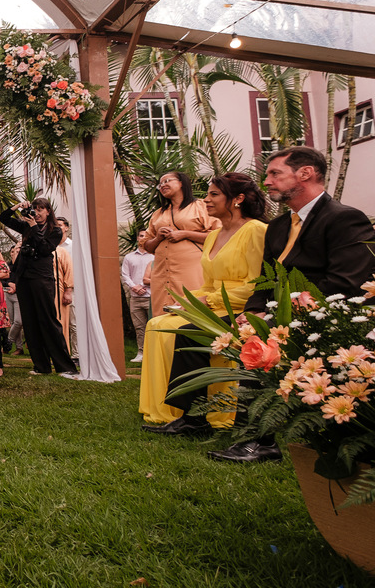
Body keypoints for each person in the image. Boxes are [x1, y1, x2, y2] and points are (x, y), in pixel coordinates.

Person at [207, 148, 374, 463]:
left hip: (327, 315)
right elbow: (265, 277)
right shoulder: (279, 225)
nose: (266, 181)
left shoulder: (344, 218)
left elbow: (346, 281)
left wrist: (287, 310)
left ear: (305, 173)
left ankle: (259, 441)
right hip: (280, 312)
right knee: (236, 331)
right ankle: (232, 429)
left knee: (259, 342)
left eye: (275, 173)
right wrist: (253, 311)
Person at [139, 172, 268, 432]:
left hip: (241, 307)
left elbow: (257, 285)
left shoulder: (255, 230)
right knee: (157, 324)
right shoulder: (213, 235)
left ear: (238, 199)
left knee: (180, 331)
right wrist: (188, 301)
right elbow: (208, 284)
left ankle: (195, 416)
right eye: (208, 194)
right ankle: (167, 409)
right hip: (214, 302)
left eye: (214, 195)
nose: (206, 200)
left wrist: (208, 300)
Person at [0, 198, 77, 377]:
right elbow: (4, 218)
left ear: (48, 211)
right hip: (24, 278)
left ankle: (65, 366)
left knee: (48, 320)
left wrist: (34, 227)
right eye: (35, 209)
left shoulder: (55, 230)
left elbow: (44, 249)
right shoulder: (26, 226)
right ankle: (41, 366)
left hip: (42, 278)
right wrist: (18, 206)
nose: (38, 213)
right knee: (30, 322)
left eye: (41, 209)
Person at [143, 171, 220, 317]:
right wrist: (158, 238)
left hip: (192, 270)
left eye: (167, 181)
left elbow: (219, 235)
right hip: (161, 274)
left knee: (192, 310)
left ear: (181, 183)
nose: (162, 185)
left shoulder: (201, 206)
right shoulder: (158, 213)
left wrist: (185, 234)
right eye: (160, 184)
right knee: (162, 315)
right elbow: (146, 245)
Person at [120, 229, 154, 363]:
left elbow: (158, 274)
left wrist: (142, 285)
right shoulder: (129, 257)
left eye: (146, 236)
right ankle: (141, 352)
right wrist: (134, 286)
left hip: (151, 297)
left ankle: (153, 353)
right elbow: (125, 274)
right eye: (141, 236)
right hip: (135, 298)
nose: (143, 238)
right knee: (139, 327)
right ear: (137, 238)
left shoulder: (154, 256)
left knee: (153, 326)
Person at [55, 217, 77, 359]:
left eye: (60, 225)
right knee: (58, 322)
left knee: (73, 323)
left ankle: (76, 355)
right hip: (56, 289)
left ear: (66, 227)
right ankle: (62, 354)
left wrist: (69, 289)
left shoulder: (73, 246)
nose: (57, 227)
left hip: (71, 288)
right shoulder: (51, 245)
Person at [4, 242, 24, 355]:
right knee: (12, 322)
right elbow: (2, 279)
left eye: (16, 251)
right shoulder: (7, 265)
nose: (14, 253)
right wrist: (9, 284)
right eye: (12, 251)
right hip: (8, 294)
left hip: (18, 295)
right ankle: (19, 348)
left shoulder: (22, 265)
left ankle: (8, 341)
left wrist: (16, 286)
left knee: (18, 321)